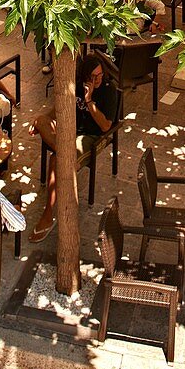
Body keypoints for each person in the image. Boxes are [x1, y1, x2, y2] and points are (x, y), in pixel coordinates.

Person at [28, 53, 118, 243]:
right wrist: (43, 122)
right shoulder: (77, 85)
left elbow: (105, 127)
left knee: (56, 159)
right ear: (84, 76)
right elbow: (57, 110)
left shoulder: (109, 91)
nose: (97, 80)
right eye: (93, 77)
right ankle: (64, 152)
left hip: (90, 136)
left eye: (100, 75)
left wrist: (89, 100)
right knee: (40, 119)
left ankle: (48, 214)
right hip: (70, 131)